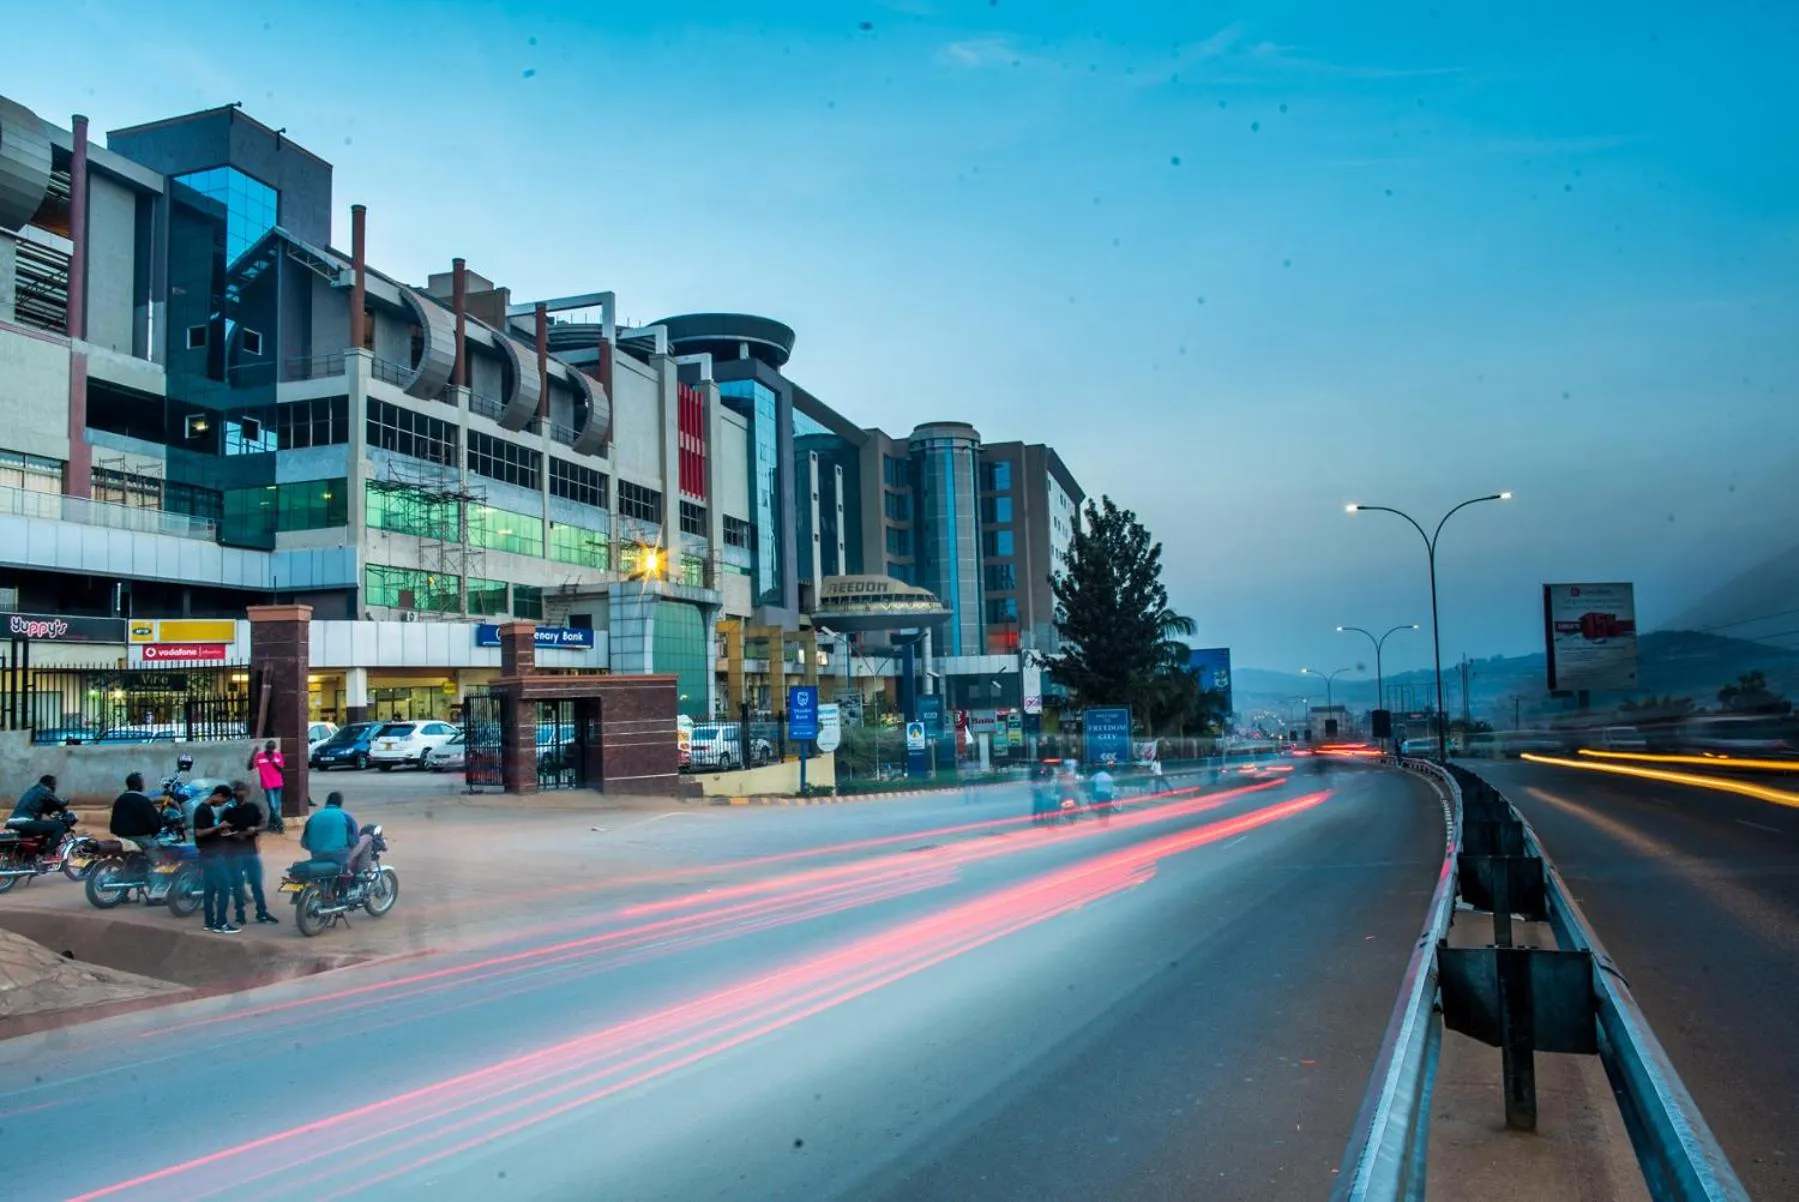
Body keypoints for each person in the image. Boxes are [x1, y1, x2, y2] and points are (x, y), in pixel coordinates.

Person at [222, 780, 276, 926]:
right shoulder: (228, 812)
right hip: (234, 853)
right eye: (237, 791)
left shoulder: (253, 808)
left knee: (256, 883)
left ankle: (262, 912)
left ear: (246, 792)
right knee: (238, 885)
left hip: (250, 851)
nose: (240, 793)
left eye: (242, 790)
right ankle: (240, 915)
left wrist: (255, 829)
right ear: (233, 794)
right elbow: (222, 830)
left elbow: (264, 824)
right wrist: (232, 834)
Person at [191, 784, 239, 934]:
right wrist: (219, 827)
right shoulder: (202, 810)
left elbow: (209, 832)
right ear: (218, 795)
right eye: (223, 800)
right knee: (224, 889)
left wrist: (223, 832)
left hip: (208, 854)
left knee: (210, 890)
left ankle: (209, 922)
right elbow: (199, 833)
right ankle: (221, 923)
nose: (222, 804)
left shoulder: (207, 810)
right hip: (212, 855)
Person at [8, 774, 71, 857]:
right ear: (49, 783)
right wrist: (66, 803)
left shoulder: (32, 791)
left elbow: (45, 808)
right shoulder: (44, 790)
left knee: (44, 826)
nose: (54, 787)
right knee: (59, 827)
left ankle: (33, 856)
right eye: (54, 784)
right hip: (25, 822)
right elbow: (59, 803)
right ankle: (48, 855)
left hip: (13, 822)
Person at [301, 791, 359, 872]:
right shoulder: (346, 816)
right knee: (367, 840)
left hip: (317, 856)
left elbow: (304, 843)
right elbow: (354, 841)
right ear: (340, 803)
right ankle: (359, 875)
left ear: (327, 802)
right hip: (339, 857)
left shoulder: (313, 817)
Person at [249, 740, 287, 835]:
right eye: (269, 748)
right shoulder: (260, 756)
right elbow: (250, 767)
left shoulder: (278, 756)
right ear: (266, 748)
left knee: (276, 807)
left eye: (272, 749)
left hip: (278, 784)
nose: (271, 751)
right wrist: (253, 754)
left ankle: (271, 825)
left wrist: (274, 763)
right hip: (267, 784)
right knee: (273, 806)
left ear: (274, 749)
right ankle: (280, 825)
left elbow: (281, 769)